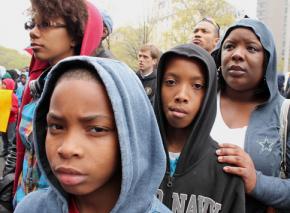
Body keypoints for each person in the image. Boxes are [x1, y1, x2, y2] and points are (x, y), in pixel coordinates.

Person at [14, 56, 170, 213]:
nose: (67, 149)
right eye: (56, 127)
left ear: (133, 138)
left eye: (96, 129)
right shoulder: (31, 208)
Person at [12, 0, 103, 207]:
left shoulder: (96, 94)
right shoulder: (36, 87)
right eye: (32, 24)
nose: (33, 33)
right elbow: (22, 151)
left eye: (45, 24)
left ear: (74, 34)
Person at [211, 18, 290, 212]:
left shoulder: (285, 113)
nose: (237, 54)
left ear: (267, 60)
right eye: (229, 46)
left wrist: (257, 182)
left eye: (252, 48)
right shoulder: (198, 103)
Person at [154, 43, 245, 212]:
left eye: (197, 86)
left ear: (209, 93)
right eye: (171, 82)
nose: (181, 95)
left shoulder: (225, 169)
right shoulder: (134, 159)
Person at [0, 79, 18, 158]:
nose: (3, 86)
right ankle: (5, 151)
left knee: (10, 137)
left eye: (5, 84)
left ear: (10, 86)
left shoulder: (13, 96)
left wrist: (11, 109)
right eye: (2, 84)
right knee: (3, 136)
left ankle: (10, 154)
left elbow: (16, 109)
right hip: (2, 119)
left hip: (10, 121)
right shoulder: (1, 94)